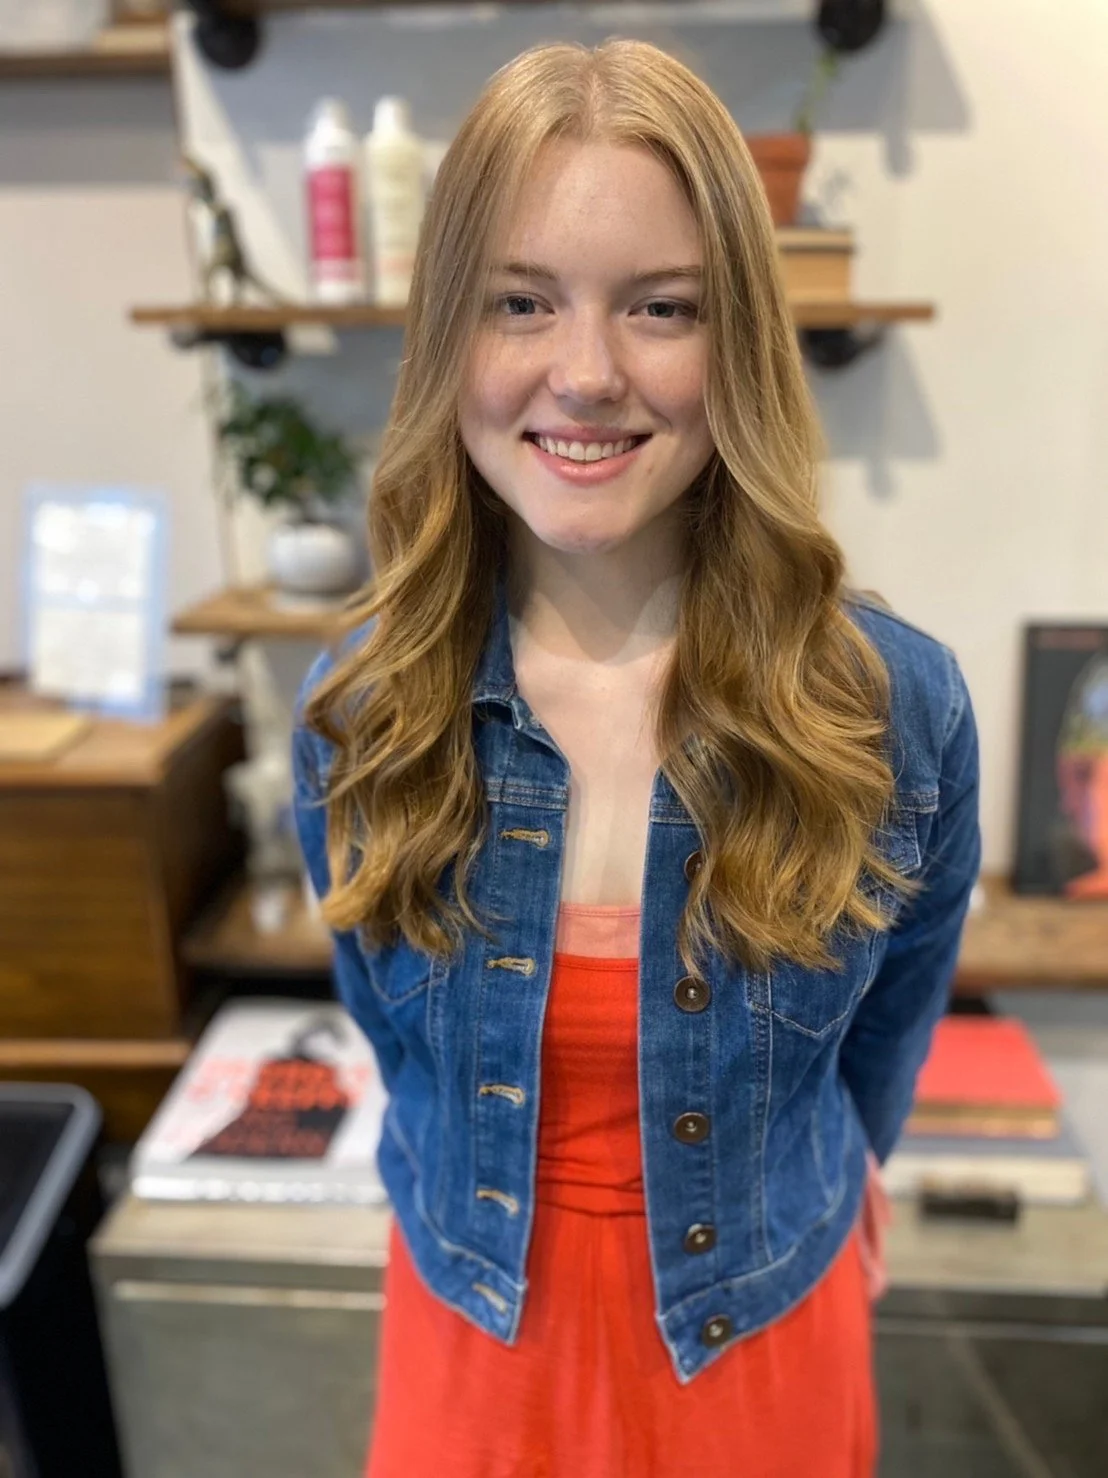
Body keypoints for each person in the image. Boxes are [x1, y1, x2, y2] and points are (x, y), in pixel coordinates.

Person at [292, 37, 981, 1478]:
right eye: (521, 302)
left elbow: (887, 1040)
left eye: (662, 307)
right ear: (447, 334)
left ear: (740, 342)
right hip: (474, 1363)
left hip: (763, 1362)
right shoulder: (362, 713)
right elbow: (394, 1037)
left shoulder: (892, 712)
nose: (588, 373)